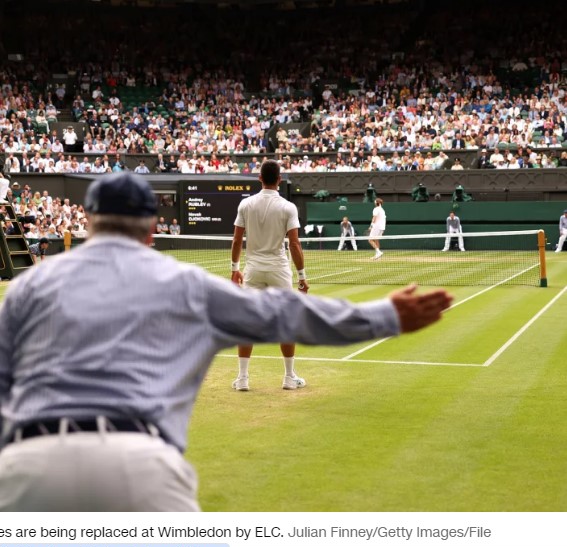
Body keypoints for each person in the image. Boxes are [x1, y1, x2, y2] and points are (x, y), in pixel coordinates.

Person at [0, 172, 452, 512]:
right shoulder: (186, 284)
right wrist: (383, 315)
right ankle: (284, 375)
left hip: (23, 467)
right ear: (153, 230)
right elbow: (284, 313)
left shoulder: (28, 287)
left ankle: (245, 376)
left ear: (89, 222)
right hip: (140, 466)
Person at [230, 159, 309, 391]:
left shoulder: (246, 205)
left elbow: (236, 240)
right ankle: (289, 377)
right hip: (279, 270)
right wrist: (302, 276)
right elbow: (294, 244)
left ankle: (243, 379)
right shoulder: (288, 207)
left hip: (252, 270)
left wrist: (235, 270)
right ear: (280, 180)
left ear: (259, 178)